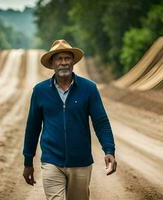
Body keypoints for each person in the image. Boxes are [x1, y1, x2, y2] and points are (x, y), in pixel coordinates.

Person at [23, 39, 117, 200]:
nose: (63, 62)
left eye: (67, 58)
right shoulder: (40, 91)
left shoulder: (89, 88)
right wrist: (28, 162)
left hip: (81, 162)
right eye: (59, 59)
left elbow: (101, 122)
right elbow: (32, 127)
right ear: (52, 63)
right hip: (51, 161)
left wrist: (109, 150)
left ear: (73, 62)